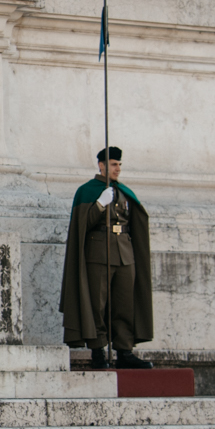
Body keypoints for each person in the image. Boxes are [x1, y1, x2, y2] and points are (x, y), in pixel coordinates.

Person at [60, 147, 155, 369]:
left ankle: (124, 351)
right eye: (113, 164)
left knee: (124, 305)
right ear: (101, 165)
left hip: (124, 254)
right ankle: (98, 351)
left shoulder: (124, 192)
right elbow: (83, 225)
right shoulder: (87, 191)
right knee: (97, 304)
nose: (118, 169)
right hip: (98, 254)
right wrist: (100, 204)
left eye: (119, 165)